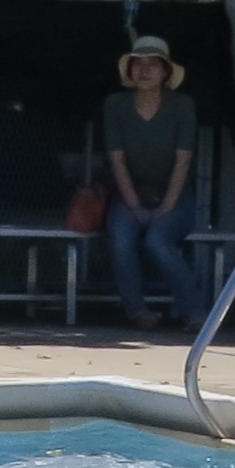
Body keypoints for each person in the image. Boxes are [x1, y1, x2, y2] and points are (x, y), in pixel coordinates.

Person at [99, 33, 203, 328]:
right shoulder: (116, 104)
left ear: (165, 72)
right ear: (129, 70)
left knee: (157, 241)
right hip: (129, 194)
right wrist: (134, 205)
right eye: (138, 63)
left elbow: (183, 160)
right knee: (121, 238)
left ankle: (196, 313)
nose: (144, 70)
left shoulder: (182, 105)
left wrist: (166, 207)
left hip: (175, 196)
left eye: (153, 64)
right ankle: (137, 311)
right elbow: (117, 159)